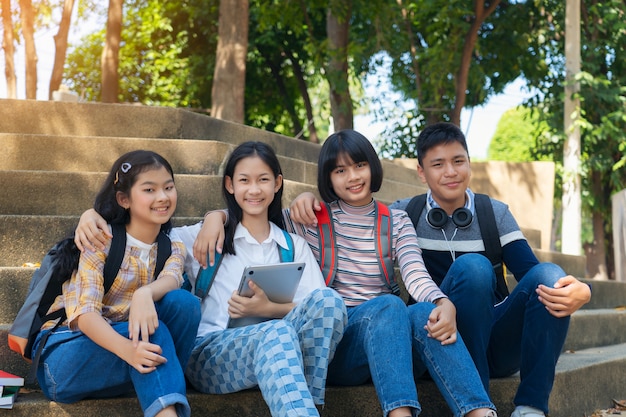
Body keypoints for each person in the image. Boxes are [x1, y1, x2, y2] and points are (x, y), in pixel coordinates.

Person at [194, 131, 497, 417]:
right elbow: (253, 210)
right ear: (328, 177)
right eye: (340, 171)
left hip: (391, 341)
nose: (352, 177)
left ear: (372, 168)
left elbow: (415, 274)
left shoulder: (397, 220)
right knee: (389, 305)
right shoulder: (310, 219)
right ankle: (399, 412)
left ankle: (478, 410)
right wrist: (215, 217)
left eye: (360, 166)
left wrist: (442, 302)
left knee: (422, 314)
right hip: (342, 345)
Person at [75, 142, 347, 417]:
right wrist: (90, 215)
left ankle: (310, 402)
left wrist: (269, 310)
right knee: (275, 332)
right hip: (211, 354)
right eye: (244, 180)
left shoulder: (294, 246)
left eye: (263, 180)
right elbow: (143, 230)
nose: (254, 189)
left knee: (329, 301)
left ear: (277, 183)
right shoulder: (198, 238)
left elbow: (315, 310)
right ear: (229, 184)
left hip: (281, 350)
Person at [385, 122, 590, 417]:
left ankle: (530, 407)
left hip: (495, 345)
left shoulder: (493, 213)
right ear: (421, 172)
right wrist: (305, 203)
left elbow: (534, 275)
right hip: (436, 344)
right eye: (438, 164)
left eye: (458, 161)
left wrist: (583, 290)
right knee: (474, 267)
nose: (451, 172)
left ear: (469, 163)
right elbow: (353, 238)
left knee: (550, 277)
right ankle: (476, 405)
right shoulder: (404, 214)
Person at [35, 150, 201, 417]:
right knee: (153, 334)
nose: (163, 197)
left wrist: (144, 294)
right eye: (149, 189)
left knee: (185, 303)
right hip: (66, 361)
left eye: (169, 187)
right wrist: (128, 349)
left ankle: (157, 391)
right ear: (124, 199)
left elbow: (172, 279)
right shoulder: (100, 240)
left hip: (122, 366)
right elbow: (85, 316)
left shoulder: (173, 246)